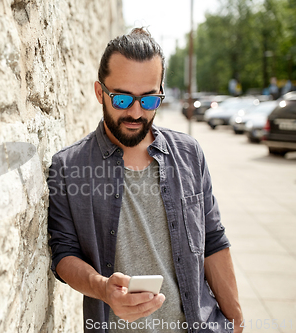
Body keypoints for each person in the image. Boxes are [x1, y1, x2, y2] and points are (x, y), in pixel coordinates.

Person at [47, 28, 243, 333]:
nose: (136, 112)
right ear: (100, 92)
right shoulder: (68, 166)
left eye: (149, 100)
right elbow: (64, 253)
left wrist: (237, 324)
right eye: (123, 99)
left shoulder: (189, 154)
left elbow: (213, 240)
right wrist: (103, 289)